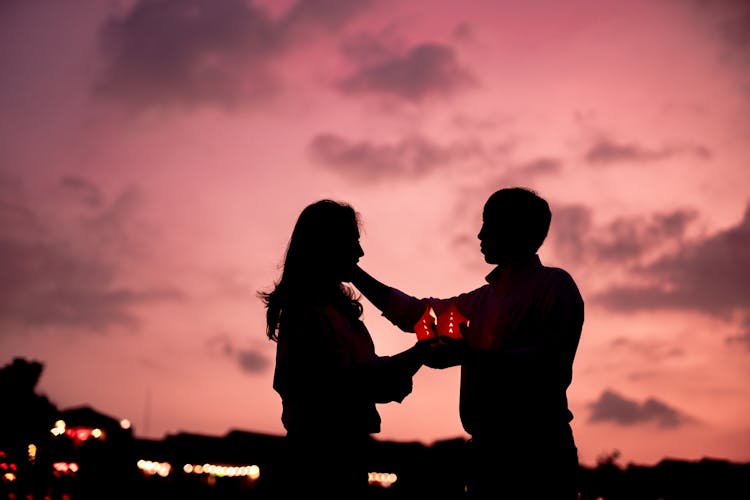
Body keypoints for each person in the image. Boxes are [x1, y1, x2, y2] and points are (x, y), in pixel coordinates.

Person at [351, 187, 584, 499]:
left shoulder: (555, 287)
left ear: (516, 230)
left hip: (539, 455)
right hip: (488, 458)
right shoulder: (483, 302)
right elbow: (419, 317)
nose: (480, 234)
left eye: (489, 223)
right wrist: (355, 275)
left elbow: (546, 364)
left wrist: (469, 355)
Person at [259, 199, 426, 497]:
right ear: (326, 244)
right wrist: (419, 354)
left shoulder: (326, 308)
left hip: (337, 453)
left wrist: (416, 356)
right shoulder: (306, 310)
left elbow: (359, 373)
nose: (360, 253)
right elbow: (341, 383)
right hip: (320, 460)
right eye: (353, 243)